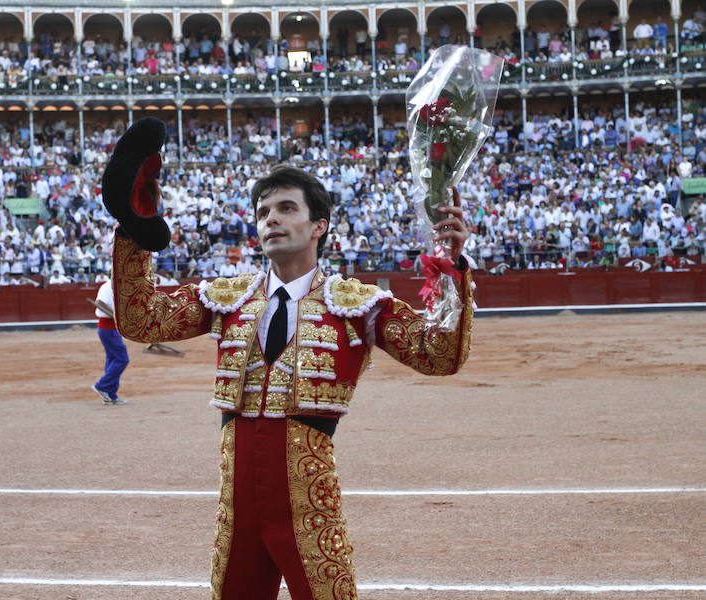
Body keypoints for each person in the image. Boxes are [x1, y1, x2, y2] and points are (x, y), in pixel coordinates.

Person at [109, 156, 474, 599]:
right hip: (237, 504)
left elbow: (438, 355)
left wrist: (451, 269)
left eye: (285, 208)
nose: (271, 220)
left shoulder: (356, 304)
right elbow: (141, 319)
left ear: (319, 225)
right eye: (263, 213)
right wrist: (135, 228)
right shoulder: (228, 297)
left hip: (308, 505)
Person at [91, 275, 130, 405]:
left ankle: (110, 394)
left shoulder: (116, 287)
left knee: (113, 359)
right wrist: (114, 315)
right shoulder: (107, 287)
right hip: (108, 328)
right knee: (121, 359)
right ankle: (102, 386)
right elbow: (99, 303)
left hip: (111, 328)